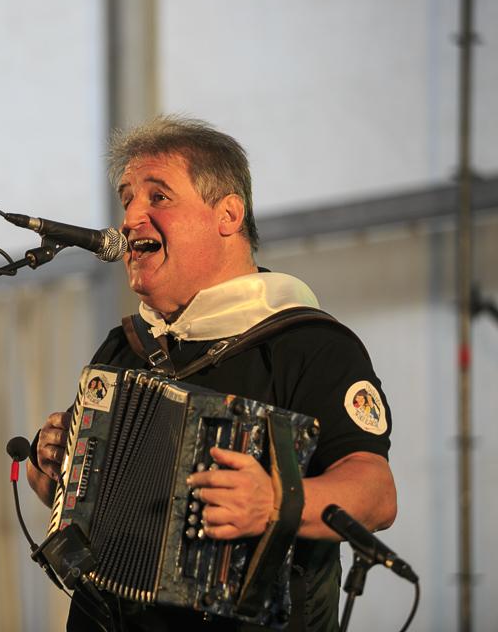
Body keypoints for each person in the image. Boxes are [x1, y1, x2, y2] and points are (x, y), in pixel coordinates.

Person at [26, 116, 396, 631]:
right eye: (126, 199)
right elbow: (93, 508)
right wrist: (57, 472)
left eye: (158, 197)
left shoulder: (309, 344)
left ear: (228, 214)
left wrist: (276, 502)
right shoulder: (124, 347)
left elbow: (376, 494)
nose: (129, 219)